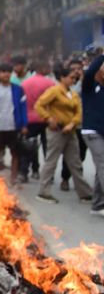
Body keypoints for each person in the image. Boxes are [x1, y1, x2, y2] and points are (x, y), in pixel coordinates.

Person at [34, 67, 93, 204]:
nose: (73, 80)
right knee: (51, 162)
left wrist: (72, 124)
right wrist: (49, 118)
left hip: (70, 132)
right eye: (71, 77)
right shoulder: (54, 91)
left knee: (75, 163)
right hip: (57, 132)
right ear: (63, 77)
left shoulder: (74, 94)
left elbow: (79, 113)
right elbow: (39, 105)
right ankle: (43, 192)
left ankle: (85, 193)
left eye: (75, 78)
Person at [0, 63, 28, 186]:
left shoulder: (18, 90)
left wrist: (24, 125)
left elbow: (23, 108)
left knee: (15, 153)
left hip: (13, 126)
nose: (6, 74)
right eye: (3, 72)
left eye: (8, 72)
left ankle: (13, 178)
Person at [18, 61, 55, 181]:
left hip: (29, 119)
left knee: (29, 147)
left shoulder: (25, 83)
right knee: (47, 148)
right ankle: (48, 174)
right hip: (46, 119)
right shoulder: (50, 84)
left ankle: (24, 172)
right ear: (43, 69)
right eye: (48, 68)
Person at [82, 54, 104, 217]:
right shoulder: (90, 86)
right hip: (92, 132)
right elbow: (89, 73)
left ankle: (97, 205)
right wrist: (102, 56)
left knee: (100, 169)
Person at [60, 59, 87, 191]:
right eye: (74, 69)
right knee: (69, 154)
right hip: (70, 125)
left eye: (79, 69)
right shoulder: (68, 85)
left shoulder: (87, 82)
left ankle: (79, 180)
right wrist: (80, 82)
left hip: (84, 125)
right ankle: (65, 179)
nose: (76, 71)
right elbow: (73, 95)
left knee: (81, 155)